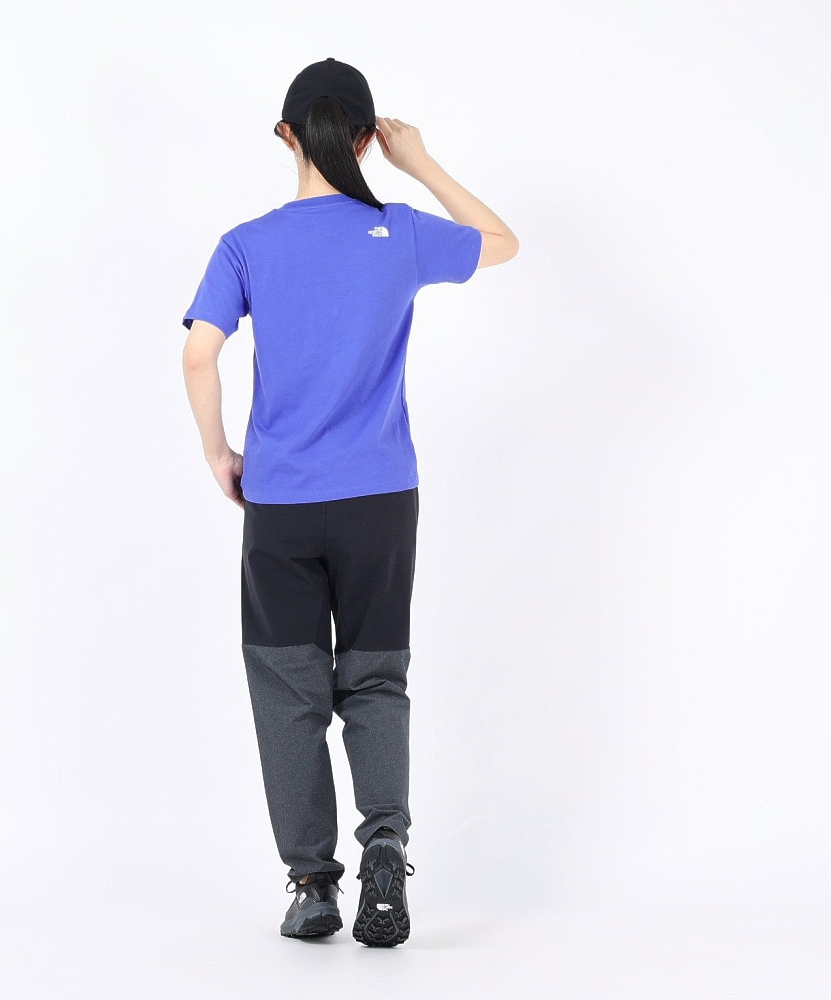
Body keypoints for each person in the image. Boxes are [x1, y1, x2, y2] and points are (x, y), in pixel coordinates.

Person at [179, 57, 518, 946]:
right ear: (367, 140)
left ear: (284, 135)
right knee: (375, 679)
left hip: (283, 503)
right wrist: (421, 164)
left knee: (287, 690)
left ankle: (312, 884)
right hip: (381, 502)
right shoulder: (399, 231)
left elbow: (199, 354)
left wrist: (220, 454)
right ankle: (386, 846)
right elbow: (501, 241)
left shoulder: (246, 244)